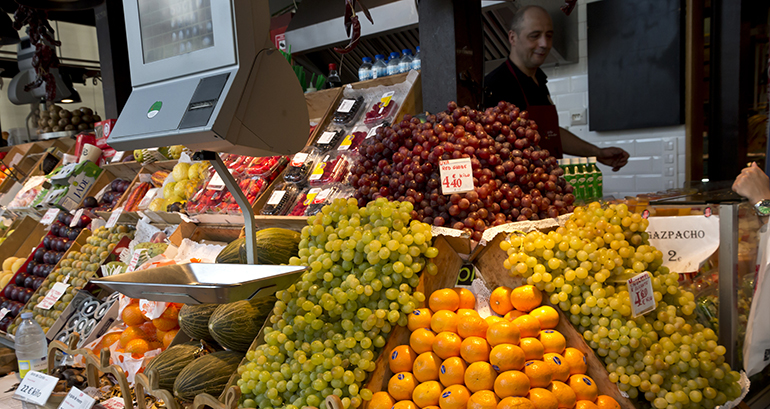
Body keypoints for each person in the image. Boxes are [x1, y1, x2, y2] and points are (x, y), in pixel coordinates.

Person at [483, 5, 629, 171]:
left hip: (548, 184)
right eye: (535, 36)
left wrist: (597, 152)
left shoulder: (539, 79)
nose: (544, 44)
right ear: (512, 38)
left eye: (549, 35)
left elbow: (549, 133)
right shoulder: (495, 85)